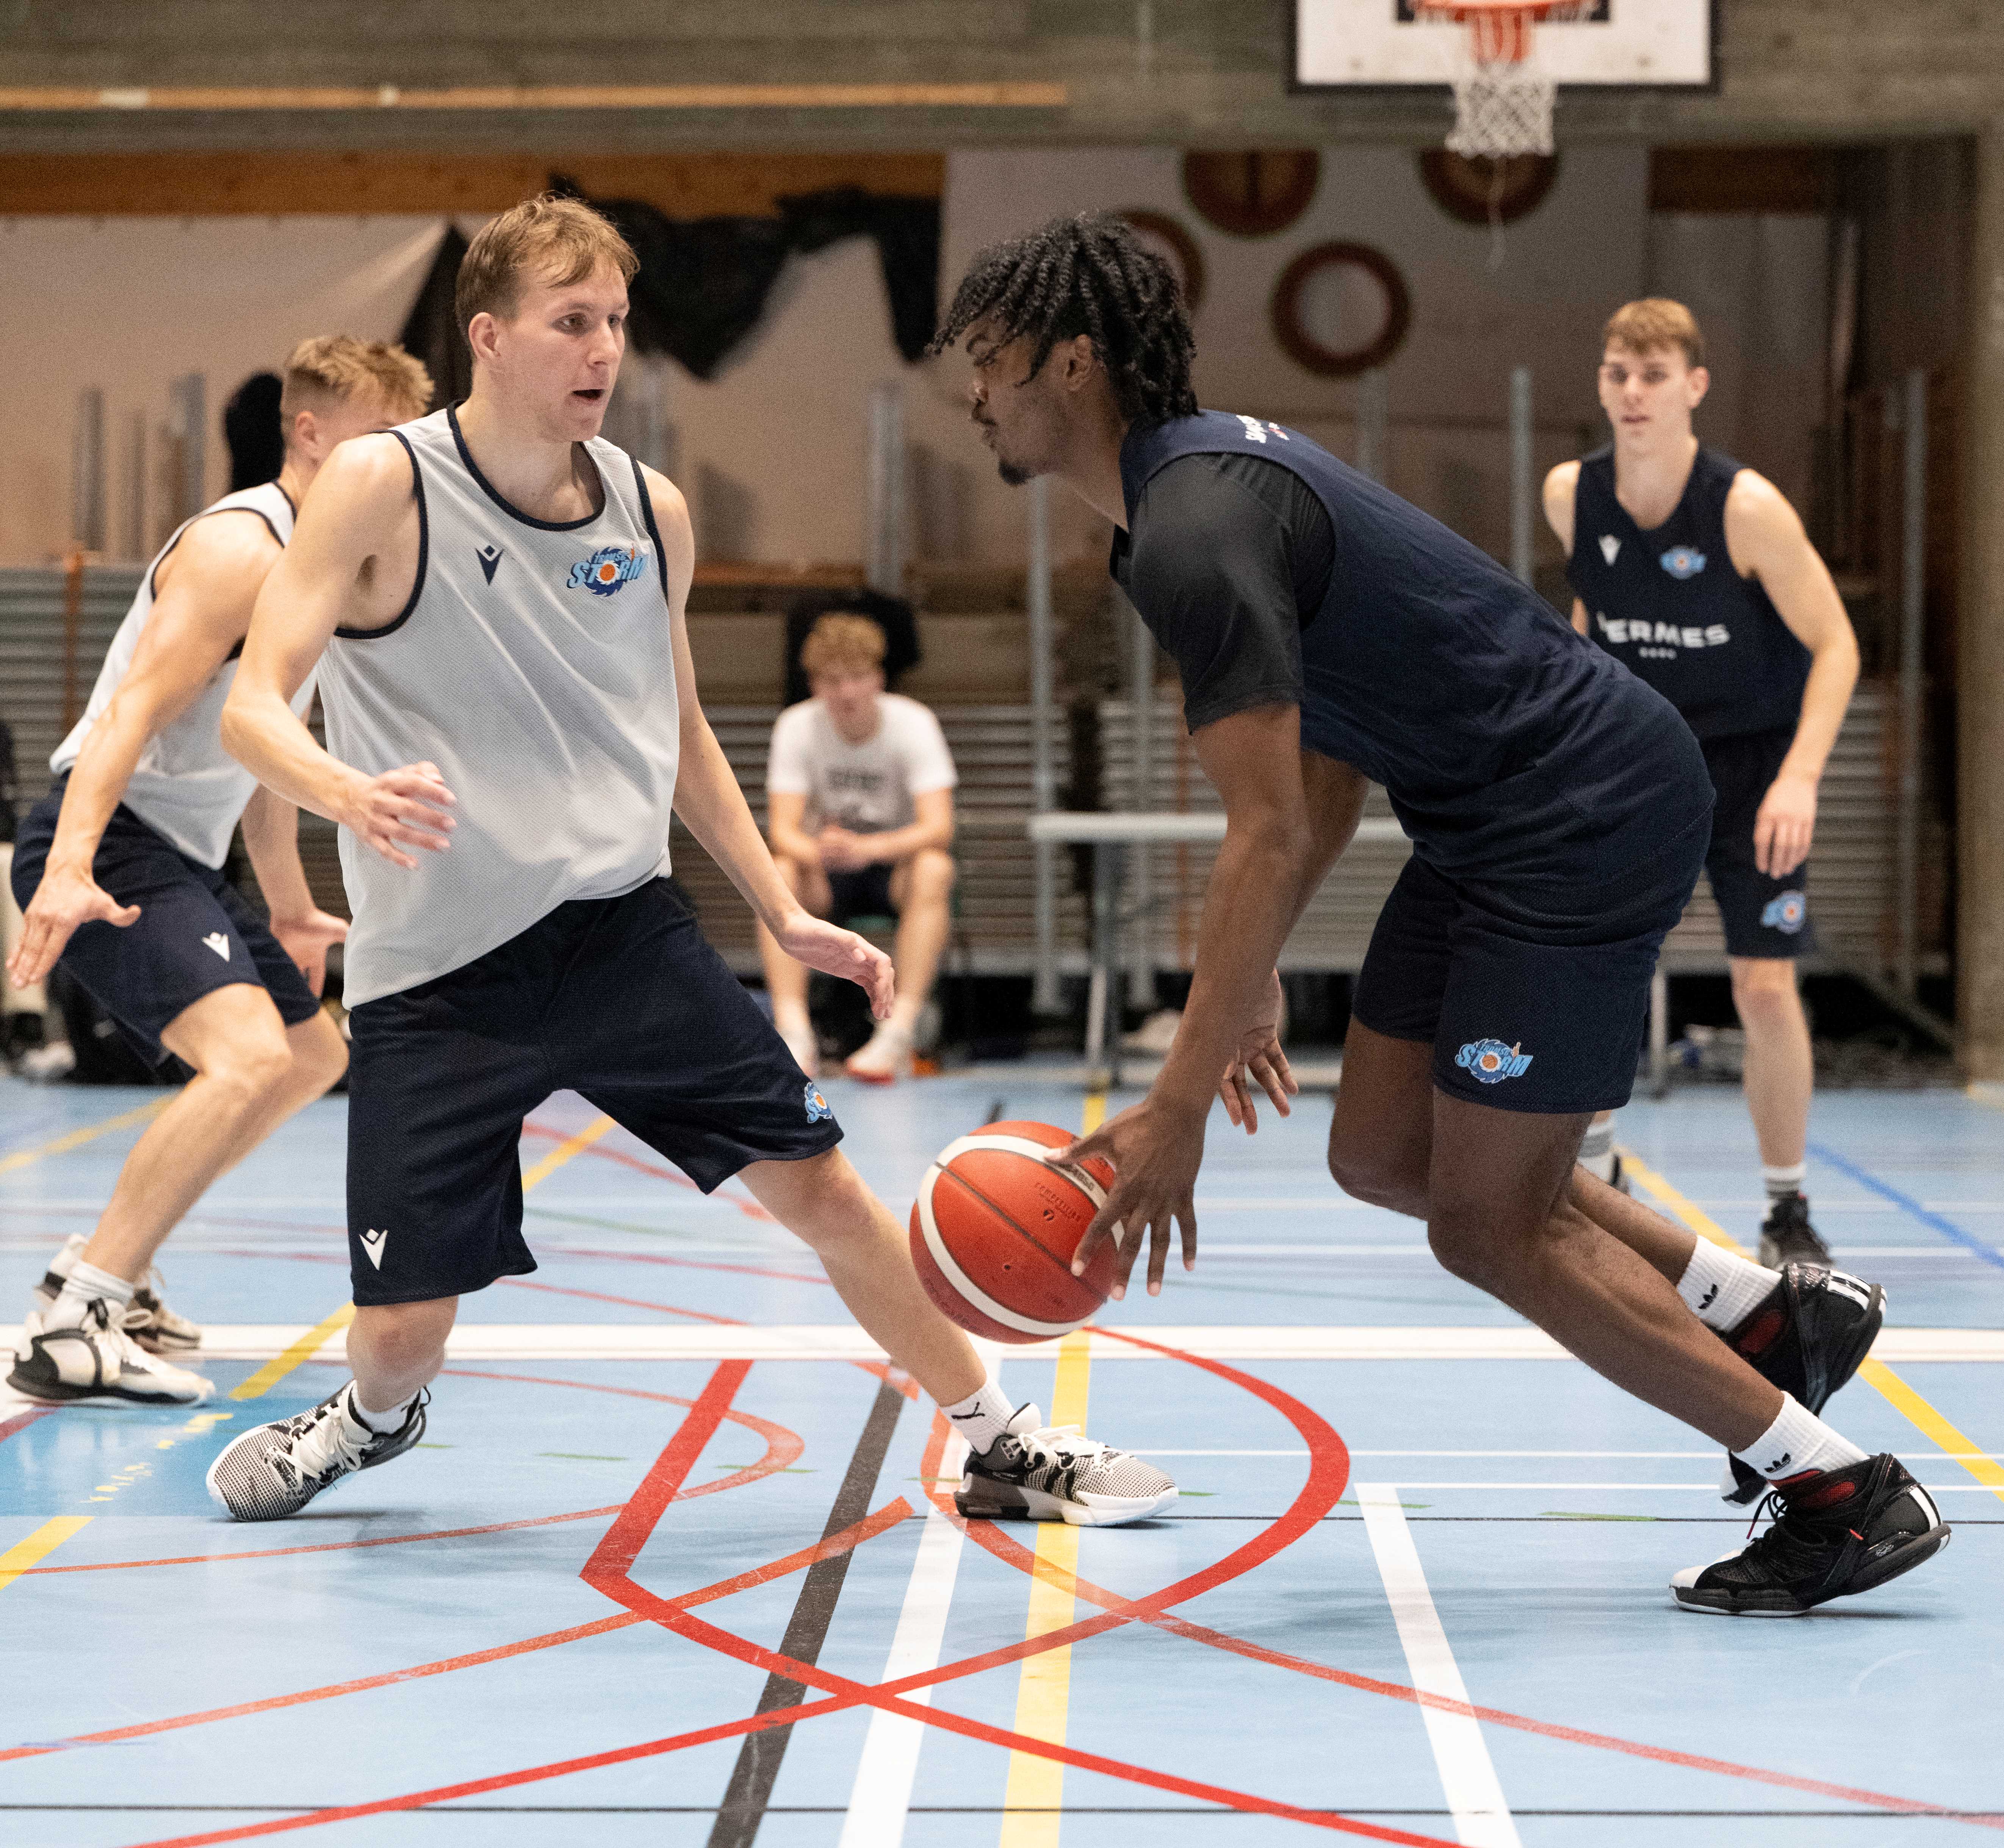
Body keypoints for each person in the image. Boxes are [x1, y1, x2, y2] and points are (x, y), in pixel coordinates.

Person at [932, 211, 1944, 1615]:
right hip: (1486, 818)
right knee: (1380, 1147)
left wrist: (1172, 1105)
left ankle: (1834, 1488)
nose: (969, 387)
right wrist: (1240, 983)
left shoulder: (1195, 523)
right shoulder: (1184, 501)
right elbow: (1324, 783)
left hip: (1576, 812)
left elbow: (1271, 821)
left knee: (1486, 1224)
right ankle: (1771, 1310)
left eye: (987, 357)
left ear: (1072, 359)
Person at [209, 194, 1172, 1530]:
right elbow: (250, 705)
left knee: (827, 1191)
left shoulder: (649, 510)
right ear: (488, 336)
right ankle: (373, 1418)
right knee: (401, 1334)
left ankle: (992, 1434)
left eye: (614, 320)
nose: (603, 347)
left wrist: (780, 908)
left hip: (620, 931)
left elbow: (678, 736)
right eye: (570, 322)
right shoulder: (384, 482)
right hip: (437, 969)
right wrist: (344, 790)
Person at [5, 335, 431, 1407]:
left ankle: (116, 1271)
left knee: (305, 1055)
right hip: (112, 835)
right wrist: (65, 866)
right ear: (311, 431)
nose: (402, 468)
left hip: (184, 850)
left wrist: (289, 903)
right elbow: (132, 710)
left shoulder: (322, 566)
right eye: (385, 437)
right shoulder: (244, 547)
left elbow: (265, 749)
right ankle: (77, 1314)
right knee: (244, 1059)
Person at [1545, 300, 1860, 1272]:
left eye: (1650, 374)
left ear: (1693, 386)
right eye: (1615, 373)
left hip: (1756, 762)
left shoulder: (1745, 508)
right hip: (1644, 759)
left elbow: (1836, 643)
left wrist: (1800, 776)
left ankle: (1785, 1204)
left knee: (1762, 985)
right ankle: (1597, 1178)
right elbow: (1592, 614)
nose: (1630, 392)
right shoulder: (1571, 494)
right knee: (1598, 965)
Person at [758, 612, 957, 1081]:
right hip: (825, 870)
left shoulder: (913, 723)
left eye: (857, 678)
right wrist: (822, 851)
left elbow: (939, 827)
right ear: (814, 685)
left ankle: (898, 1031)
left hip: (890, 868)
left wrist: (869, 849)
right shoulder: (796, 726)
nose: (846, 693)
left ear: (879, 678)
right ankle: (794, 1031)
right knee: (776, 870)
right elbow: (782, 831)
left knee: (934, 868)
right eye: (832, 681)